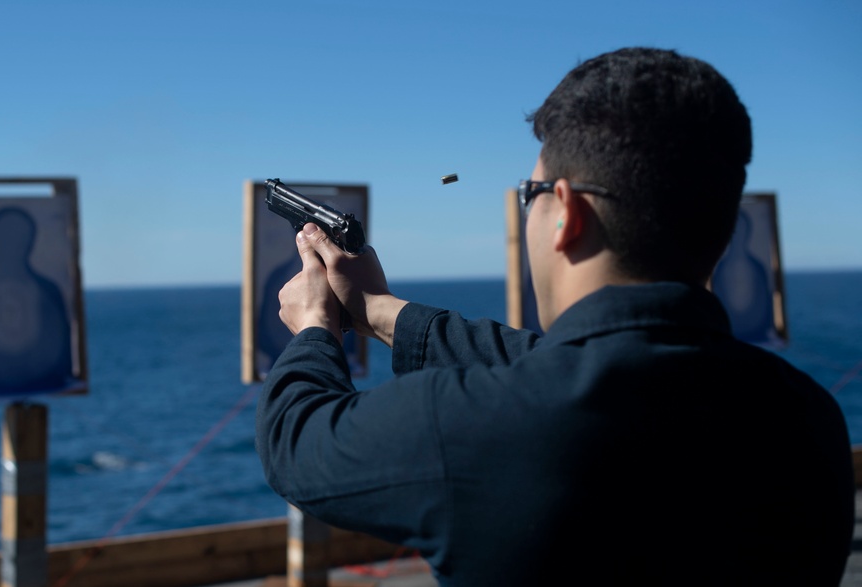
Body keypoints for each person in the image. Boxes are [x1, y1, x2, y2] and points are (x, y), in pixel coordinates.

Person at [255, 47, 855, 585]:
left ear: (565, 213)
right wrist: (378, 311)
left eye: (531, 195)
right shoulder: (807, 420)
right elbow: (573, 367)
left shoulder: (473, 426)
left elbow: (296, 440)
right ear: (724, 232)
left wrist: (315, 326)